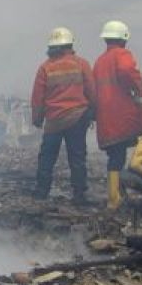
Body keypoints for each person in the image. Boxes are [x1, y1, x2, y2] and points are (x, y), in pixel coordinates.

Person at [93, 20, 142, 209]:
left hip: (106, 118)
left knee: (116, 157)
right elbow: (128, 71)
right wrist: (140, 92)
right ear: (124, 39)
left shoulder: (99, 62)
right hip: (125, 112)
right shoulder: (121, 54)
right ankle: (138, 162)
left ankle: (114, 200)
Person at [30, 27, 95, 204]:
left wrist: (37, 119)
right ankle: (79, 195)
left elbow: (37, 98)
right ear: (70, 44)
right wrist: (93, 112)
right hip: (77, 118)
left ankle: (42, 192)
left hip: (54, 121)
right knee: (77, 157)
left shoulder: (45, 68)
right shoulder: (81, 64)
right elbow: (91, 90)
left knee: (47, 157)